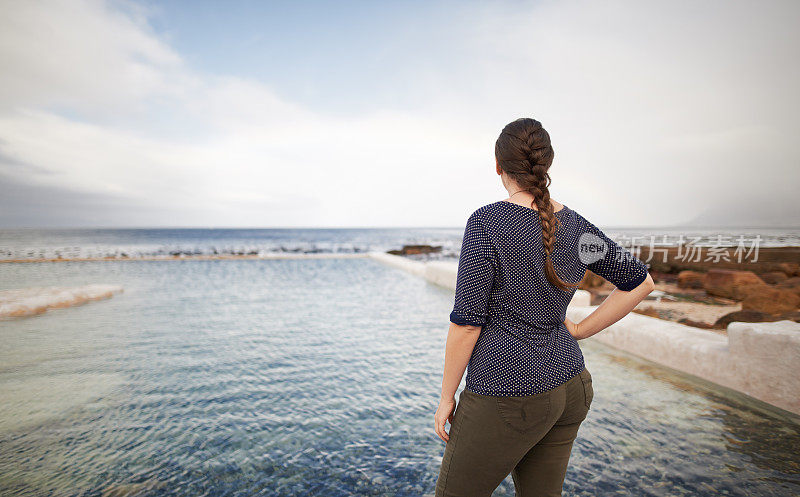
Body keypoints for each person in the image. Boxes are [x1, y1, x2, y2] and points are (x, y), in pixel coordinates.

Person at [433, 117, 655, 497]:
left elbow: (468, 323)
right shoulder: (577, 227)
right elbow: (641, 282)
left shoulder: (486, 222)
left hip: (506, 391)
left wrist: (445, 398)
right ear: (546, 163)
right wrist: (580, 330)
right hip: (571, 387)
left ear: (499, 166)